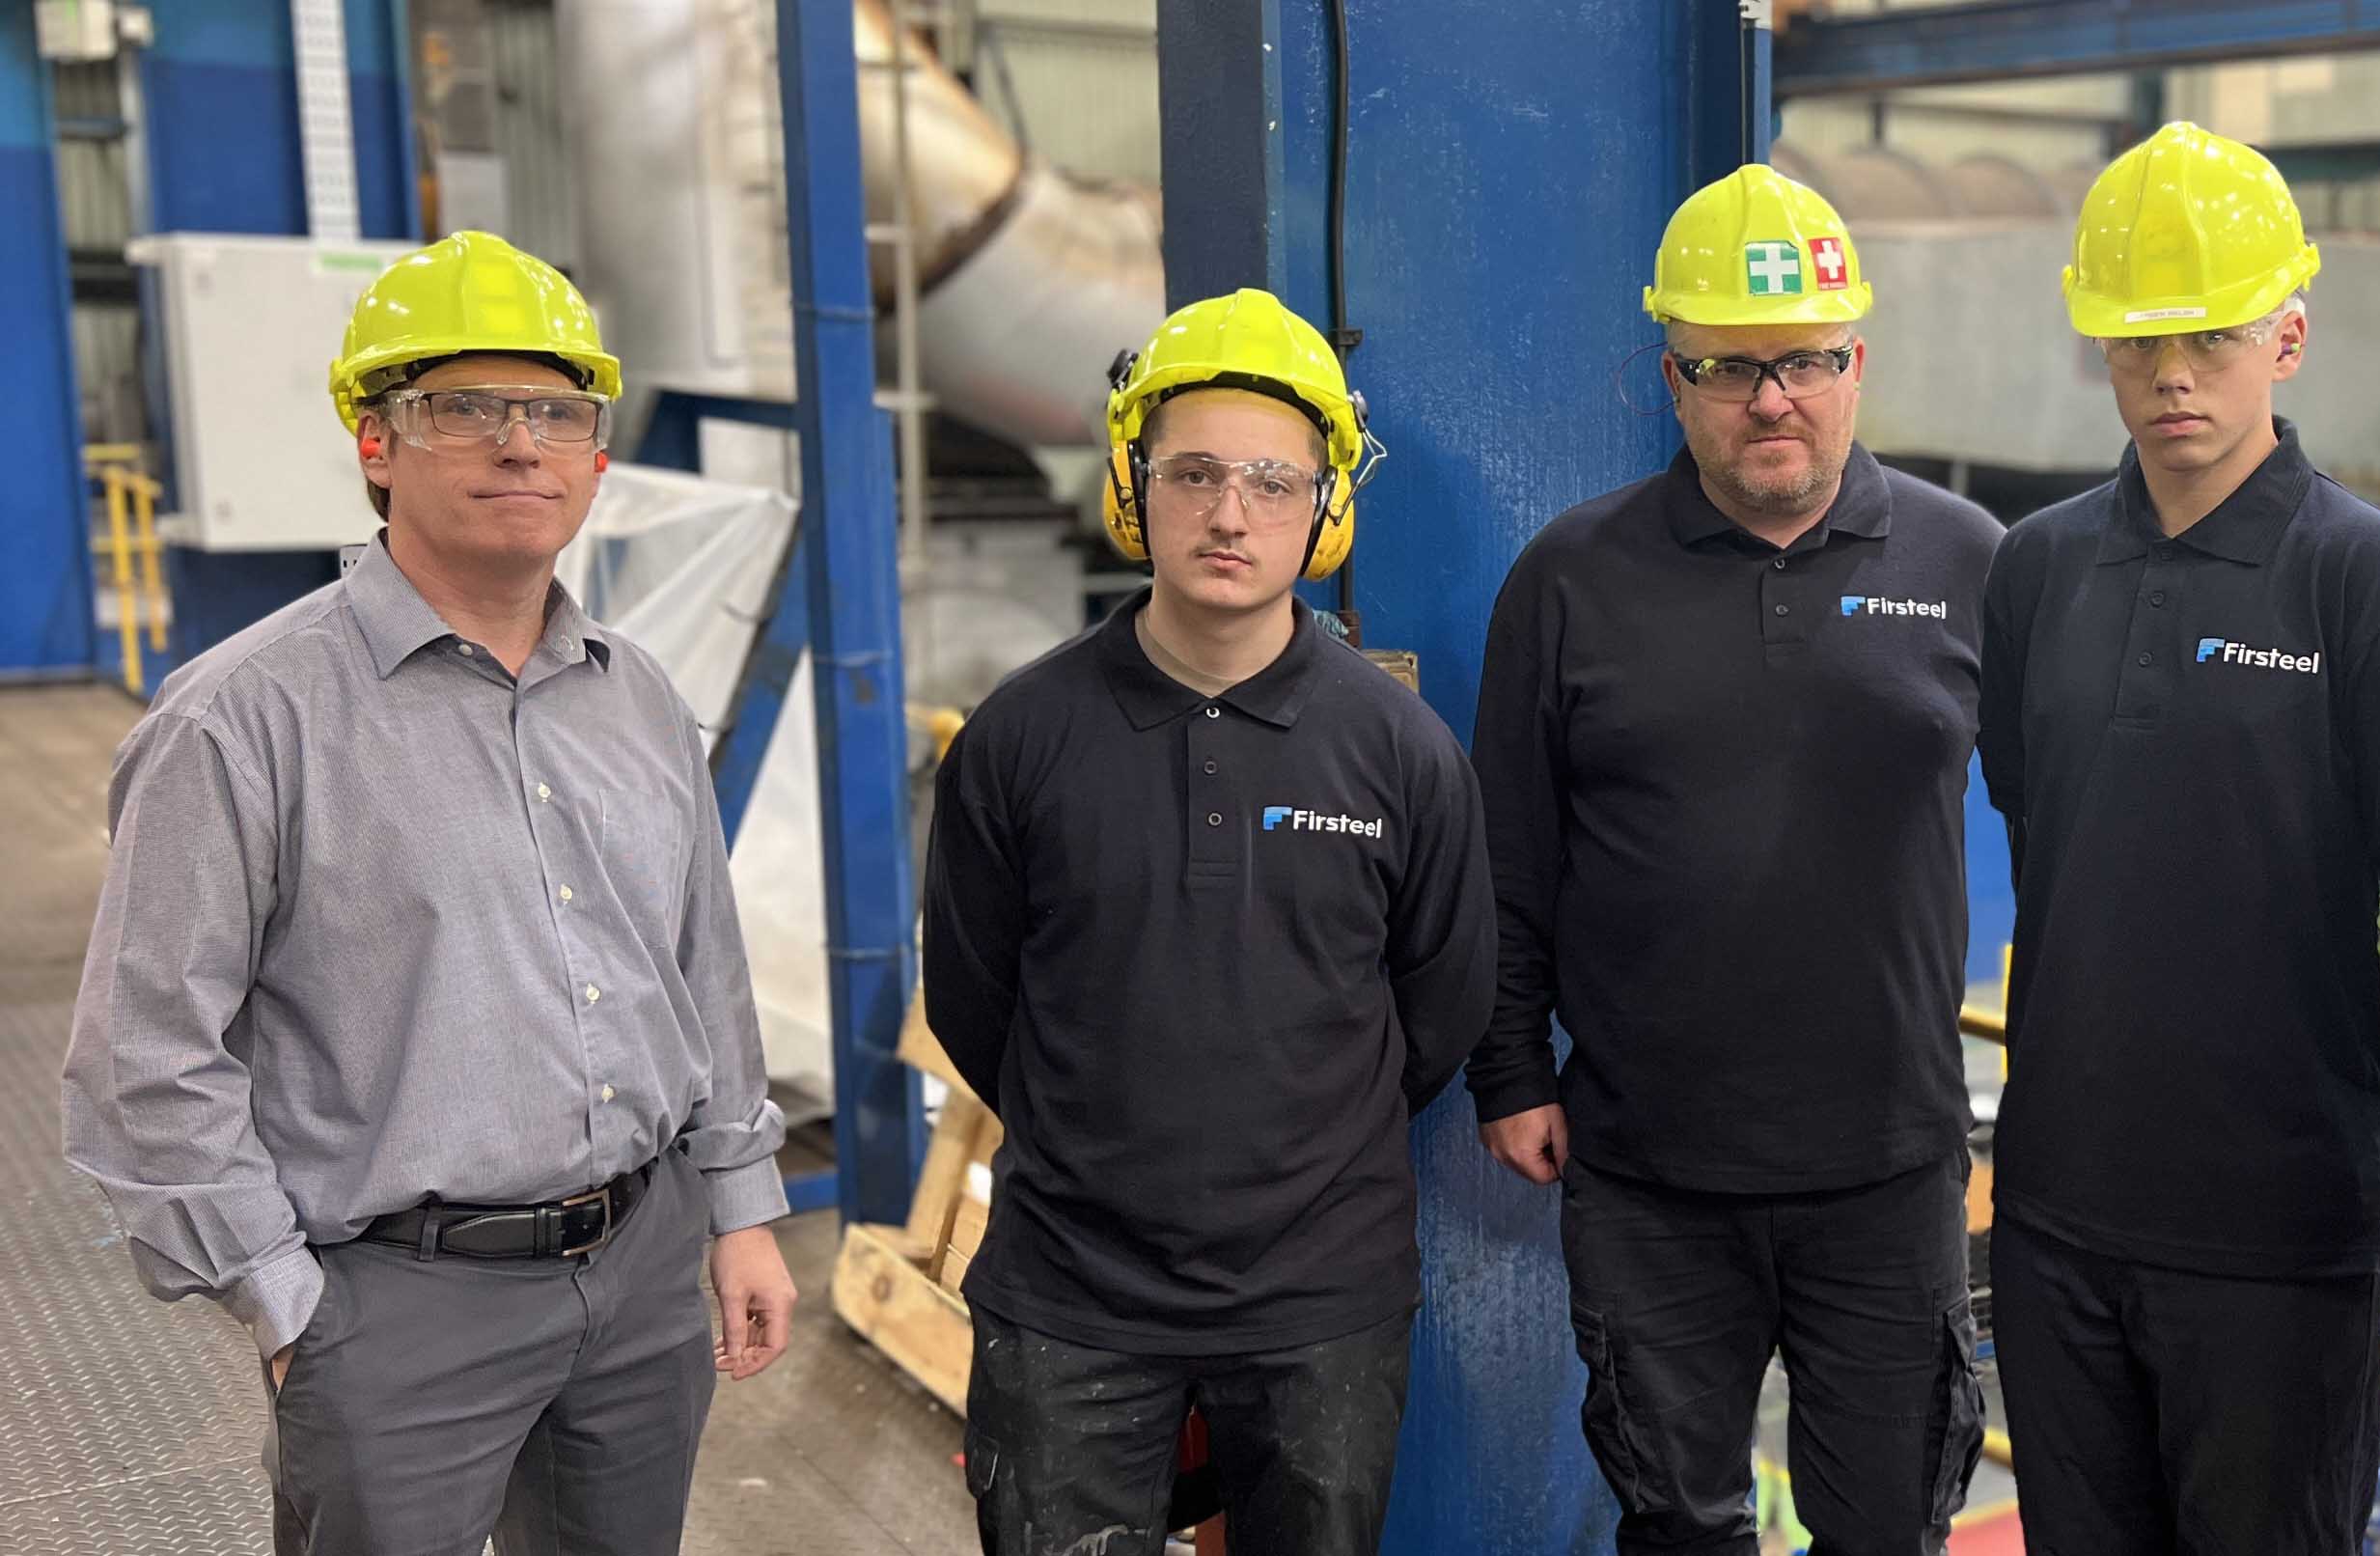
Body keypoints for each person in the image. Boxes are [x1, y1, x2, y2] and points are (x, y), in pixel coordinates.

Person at [59, 230, 795, 1556]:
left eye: (557, 413)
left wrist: (739, 1205)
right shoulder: (242, 720)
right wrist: (286, 1302)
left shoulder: (636, 699)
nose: (520, 445)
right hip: (397, 1302)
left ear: (596, 462)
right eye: (464, 407)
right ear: (376, 442)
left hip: (640, 1282)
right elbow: (144, 1054)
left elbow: (702, 974)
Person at [1468, 162, 1998, 1556]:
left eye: (1807, 362)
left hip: (1889, 1174)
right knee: (1682, 1527)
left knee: (1887, 1530)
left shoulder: (1969, 562)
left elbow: (2081, 840)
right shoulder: (1571, 579)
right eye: (1729, 368)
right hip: (1649, 1177)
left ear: (1856, 363)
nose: (1773, 398)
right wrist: (1510, 1069)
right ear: (1673, 376)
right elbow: (1509, 853)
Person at [1977, 123, 2380, 1556]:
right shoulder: (2039, 569)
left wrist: (2358, 1140)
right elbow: (2047, 830)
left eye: (2208, 333)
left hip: (2278, 1244)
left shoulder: (2364, 580)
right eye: (2136, 340)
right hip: (2061, 1217)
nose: (2171, 373)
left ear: (2291, 335)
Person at [920, 289, 1493, 1556]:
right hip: (1068, 1297)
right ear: (1132, 486)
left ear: (1327, 509)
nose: (1230, 514)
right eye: (1192, 473)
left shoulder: (1400, 752)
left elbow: (1441, 1008)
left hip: (1320, 1302)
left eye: (1273, 483)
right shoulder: (1020, 737)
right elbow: (972, 997)